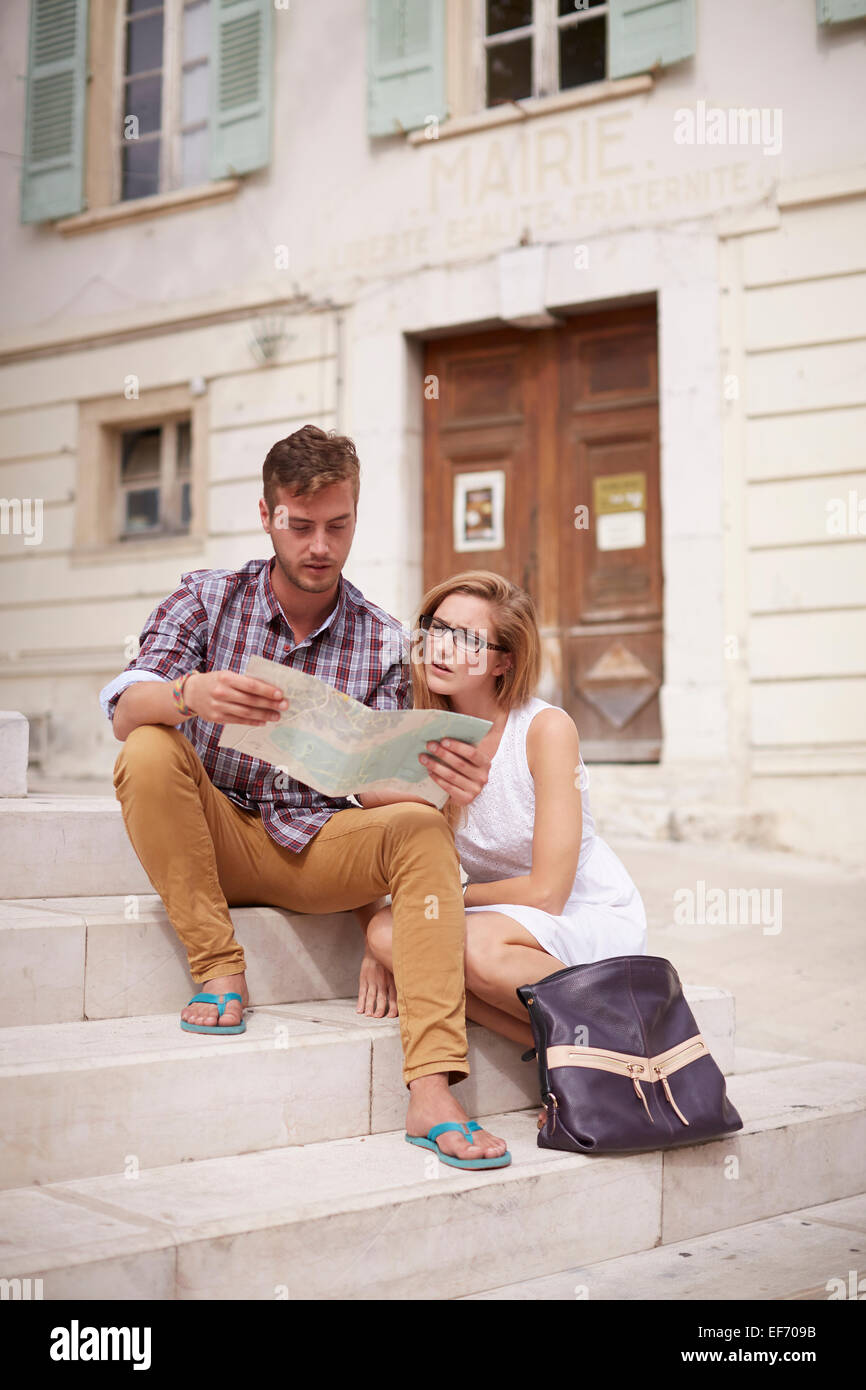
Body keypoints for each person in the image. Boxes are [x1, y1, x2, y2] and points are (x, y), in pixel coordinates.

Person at [99, 425, 510, 1170]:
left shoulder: (383, 637)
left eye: (338, 525)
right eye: (301, 525)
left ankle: (432, 1088)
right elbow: (125, 709)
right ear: (267, 516)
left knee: (419, 827)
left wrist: (436, 784)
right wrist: (192, 694)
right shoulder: (207, 598)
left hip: (314, 847)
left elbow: (378, 792)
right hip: (211, 832)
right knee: (151, 746)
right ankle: (219, 968)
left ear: (355, 515)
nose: (320, 546)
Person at [361, 570, 648, 1124]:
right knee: (386, 933)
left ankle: (608, 1032)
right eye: (436, 628)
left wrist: (444, 899)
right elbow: (377, 845)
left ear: (503, 661)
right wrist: (383, 939)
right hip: (489, 913)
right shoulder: (416, 734)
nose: (442, 647)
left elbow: (547, 892)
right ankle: (577, 1059)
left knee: (458, 947)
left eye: (469, 639)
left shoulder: (544, 730)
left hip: (572, 911)